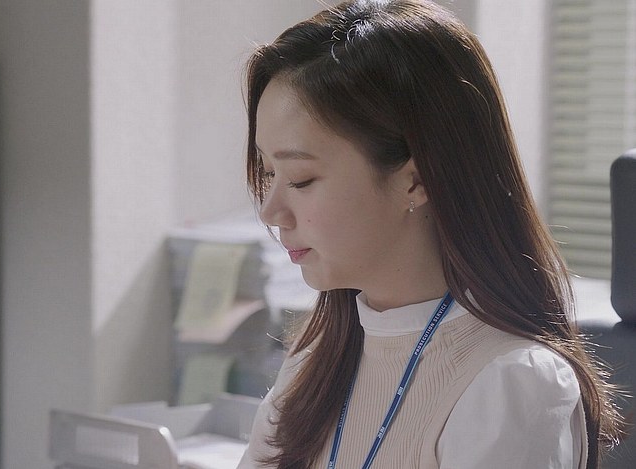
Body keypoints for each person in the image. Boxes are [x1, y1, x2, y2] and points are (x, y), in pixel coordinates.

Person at [236, 1, 625, 468]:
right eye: (267, 172)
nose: (270, 211)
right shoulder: (314, 363)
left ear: (416, 180)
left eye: (300, 180)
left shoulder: (510, 384)